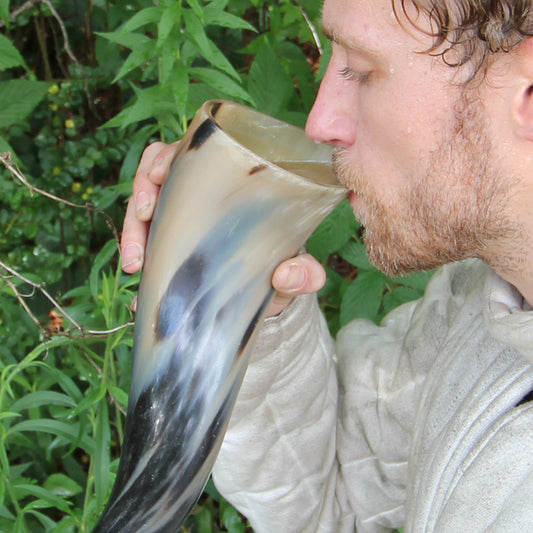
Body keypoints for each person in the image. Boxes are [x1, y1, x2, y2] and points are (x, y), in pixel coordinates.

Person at [121, 0, 533, 531]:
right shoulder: (484, 306)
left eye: (361, 72)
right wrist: (245, 306)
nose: (320, 124)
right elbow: (335, 502)